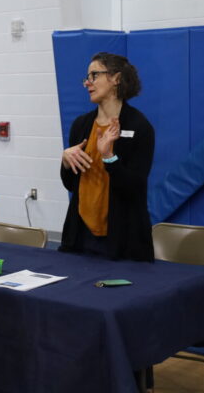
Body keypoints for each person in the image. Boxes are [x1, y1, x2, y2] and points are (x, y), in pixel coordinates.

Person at [59, 52, 155, 262]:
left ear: (116, 79)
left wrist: (109, 157)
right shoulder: (81, 125)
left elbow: (135, 188)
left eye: (94, 75)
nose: (87, 83)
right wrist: (66, 162)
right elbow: (72, 184)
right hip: (80, 235)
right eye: (87, 77)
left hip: (123, 238)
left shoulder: (139, 126)